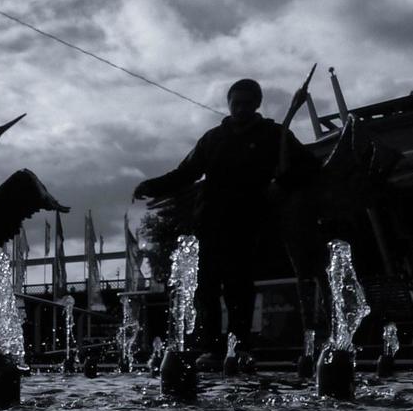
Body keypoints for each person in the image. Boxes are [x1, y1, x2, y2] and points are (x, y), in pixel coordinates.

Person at [133, 78, 315, 366]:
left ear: (257, 104)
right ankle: (213, 349)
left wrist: (284, 182)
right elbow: (187, 172)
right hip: (210, 223)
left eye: (247, 103)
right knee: (205, 289)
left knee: (239, 288)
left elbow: (308, 167)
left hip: (249, 224)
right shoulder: (213, 139)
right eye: (236, 103)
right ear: (229, 104)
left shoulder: (273, 135)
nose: (241, 109)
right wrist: (151, 185)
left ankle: (240, 347)